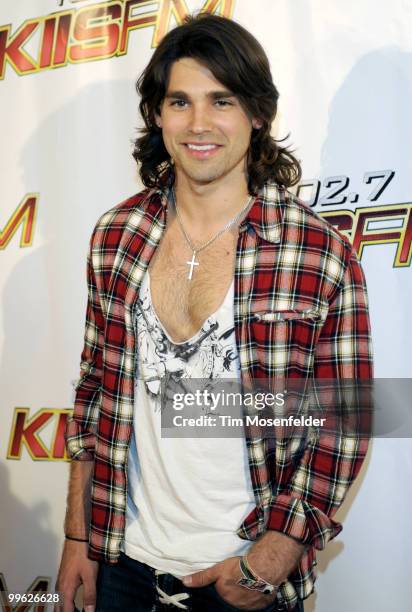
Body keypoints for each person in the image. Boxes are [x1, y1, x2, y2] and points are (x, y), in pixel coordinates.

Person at [55, 13, 373, 612]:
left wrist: (272, 556)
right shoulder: (117, 236)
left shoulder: (318, 253)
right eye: (180, 101)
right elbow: (95, 394)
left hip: (243, 572)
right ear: (158, 115)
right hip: (123, 559)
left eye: (221, 100)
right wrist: (79, 536)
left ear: (257, 114)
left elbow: (345, 423)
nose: (199, 124)